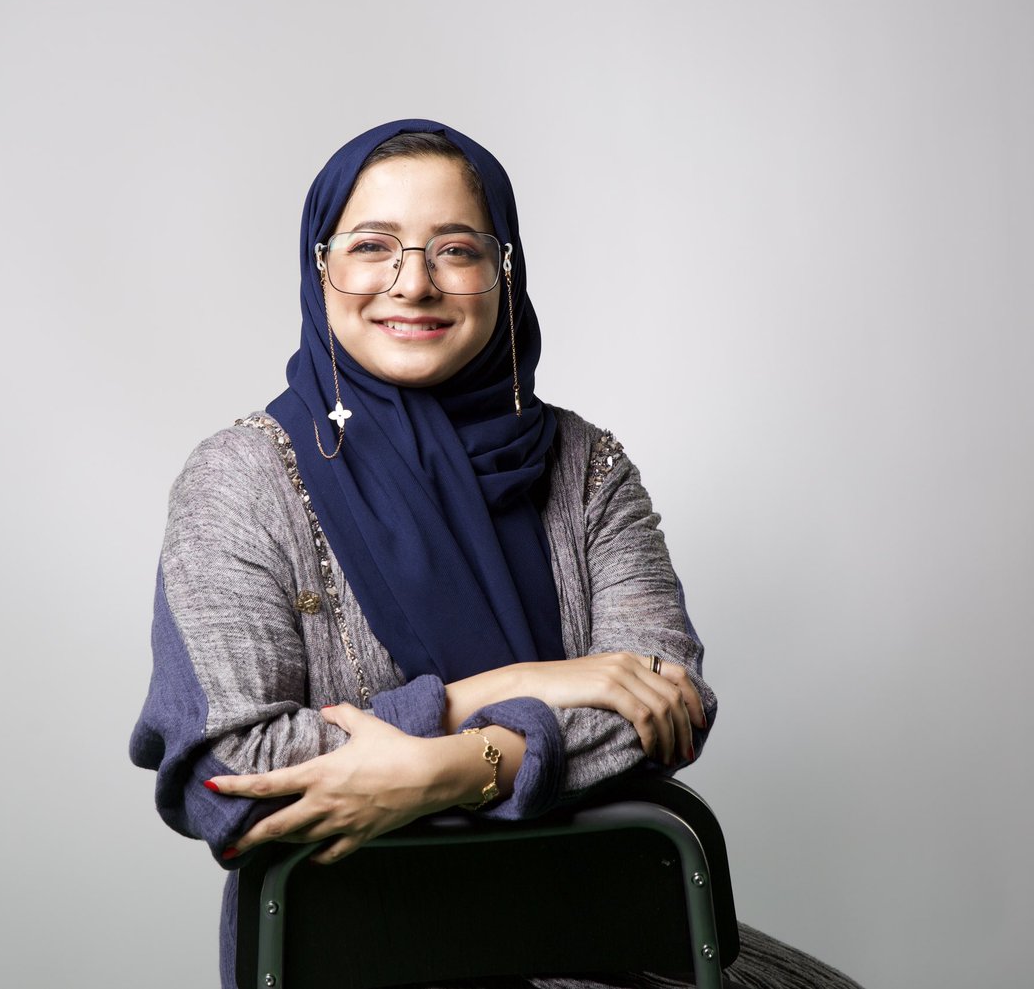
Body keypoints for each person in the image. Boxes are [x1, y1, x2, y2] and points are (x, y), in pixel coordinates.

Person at [130, 120, 862, 989]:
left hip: (602, 947)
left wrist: (452, 770)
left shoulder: (584, 468)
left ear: (503, 269)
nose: (413, 282)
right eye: (372, 246)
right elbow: (231, 769)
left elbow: (665, 699)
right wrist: (513, 687)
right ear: (318, 266)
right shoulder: (242, 480)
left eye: (455, 249)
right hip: (370, 960)